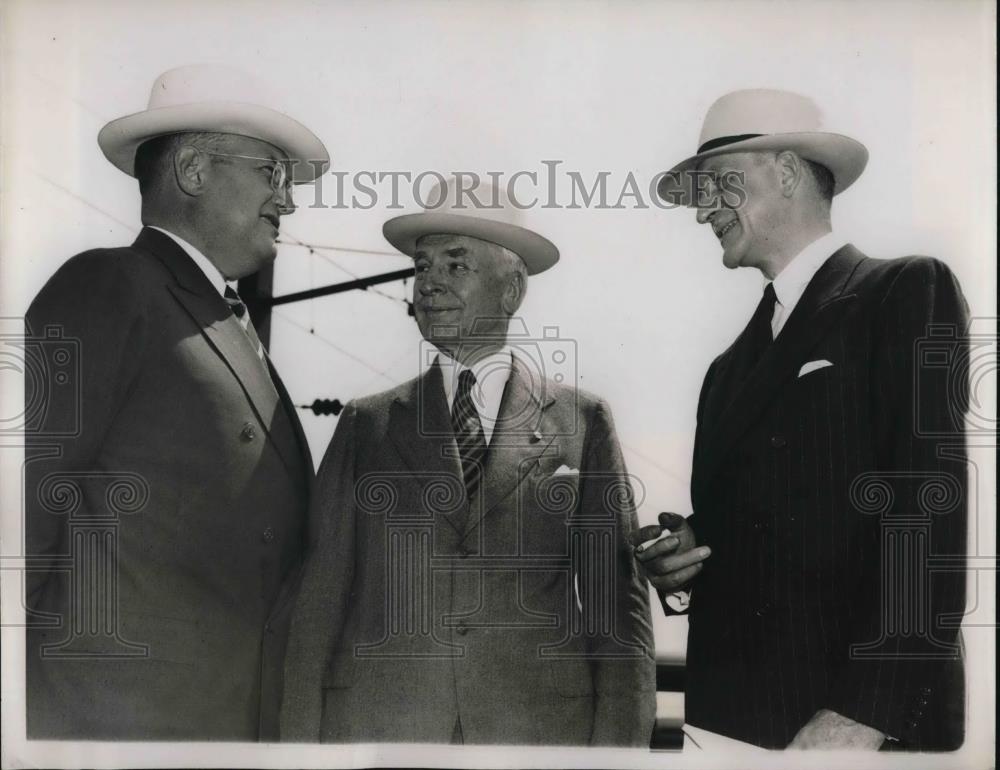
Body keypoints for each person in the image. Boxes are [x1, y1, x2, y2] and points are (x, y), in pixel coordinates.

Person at [637, 89, 969, 750]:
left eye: (715, 185)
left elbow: (926, 513)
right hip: (725, 723)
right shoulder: (726, 369)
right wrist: (691, 553)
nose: (701, 210)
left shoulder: (903, 290)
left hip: (847, 731)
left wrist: (863, 715)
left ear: (785, 171)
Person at [281, 177, 656, 745]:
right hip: (383, 736)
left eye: (455, 266)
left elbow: (617, 610)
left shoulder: (584, 421)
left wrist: (618, 755)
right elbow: (318, 606)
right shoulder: (365, 424)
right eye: (422, 266)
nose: (429, 283)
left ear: (512, 290)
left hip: (536, 740)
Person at [24, 64, 328, 740]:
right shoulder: (111, 286)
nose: (289, 200)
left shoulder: (223, 322)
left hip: (220, 723)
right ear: (192, 169)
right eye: (271, 173)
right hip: (112, 722)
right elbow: (21, 506)